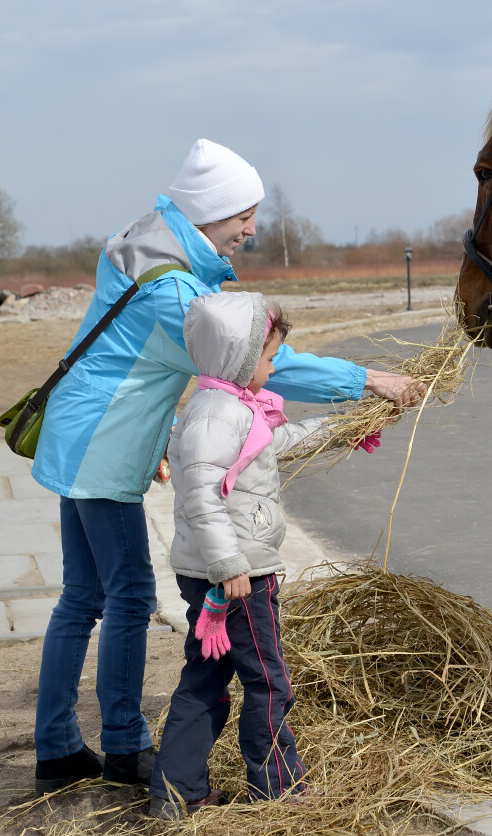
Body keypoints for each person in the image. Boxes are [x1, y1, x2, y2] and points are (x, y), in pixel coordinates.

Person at [29, 139, 425, 794]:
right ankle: (123, 746)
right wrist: (366, 380)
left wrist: (158, 435)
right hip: (103, 444)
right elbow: (258, 362)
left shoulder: (143, 240)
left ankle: (57, 744)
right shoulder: (179, 290)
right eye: (243, 212)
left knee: (83, 596)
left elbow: (129, 354)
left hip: (84, 429)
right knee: (126, 595)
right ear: (209, 210)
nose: (252, 226)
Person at [149, 291, 346, 817]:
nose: (274, 365)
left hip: (220, 570)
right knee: (267, 680)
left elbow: (275, 447)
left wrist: (343, 430)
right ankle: (279, 789)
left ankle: (177, 791)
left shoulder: (228, 408)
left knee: (206, 677)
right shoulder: (219, 415)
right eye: (269, 357)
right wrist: (231, 565)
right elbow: (200, 495)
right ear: (238, 358)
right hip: (240, 576)